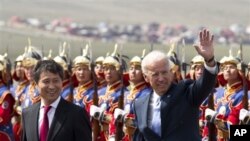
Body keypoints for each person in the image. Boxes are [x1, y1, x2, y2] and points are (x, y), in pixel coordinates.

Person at [133, 29, 218, 141]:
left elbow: (205, 84)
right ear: (145, 77)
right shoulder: (139, 104)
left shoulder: (185, 92)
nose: (161, 78)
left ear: (171, 72)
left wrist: (209, 60)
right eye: (155, 74)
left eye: (164, 72)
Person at [21, 60, 92, 141]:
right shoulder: (27, 114)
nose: (51, 86)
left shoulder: (77, 114)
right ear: (36, 85)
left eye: (56, 81)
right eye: (46, 81)